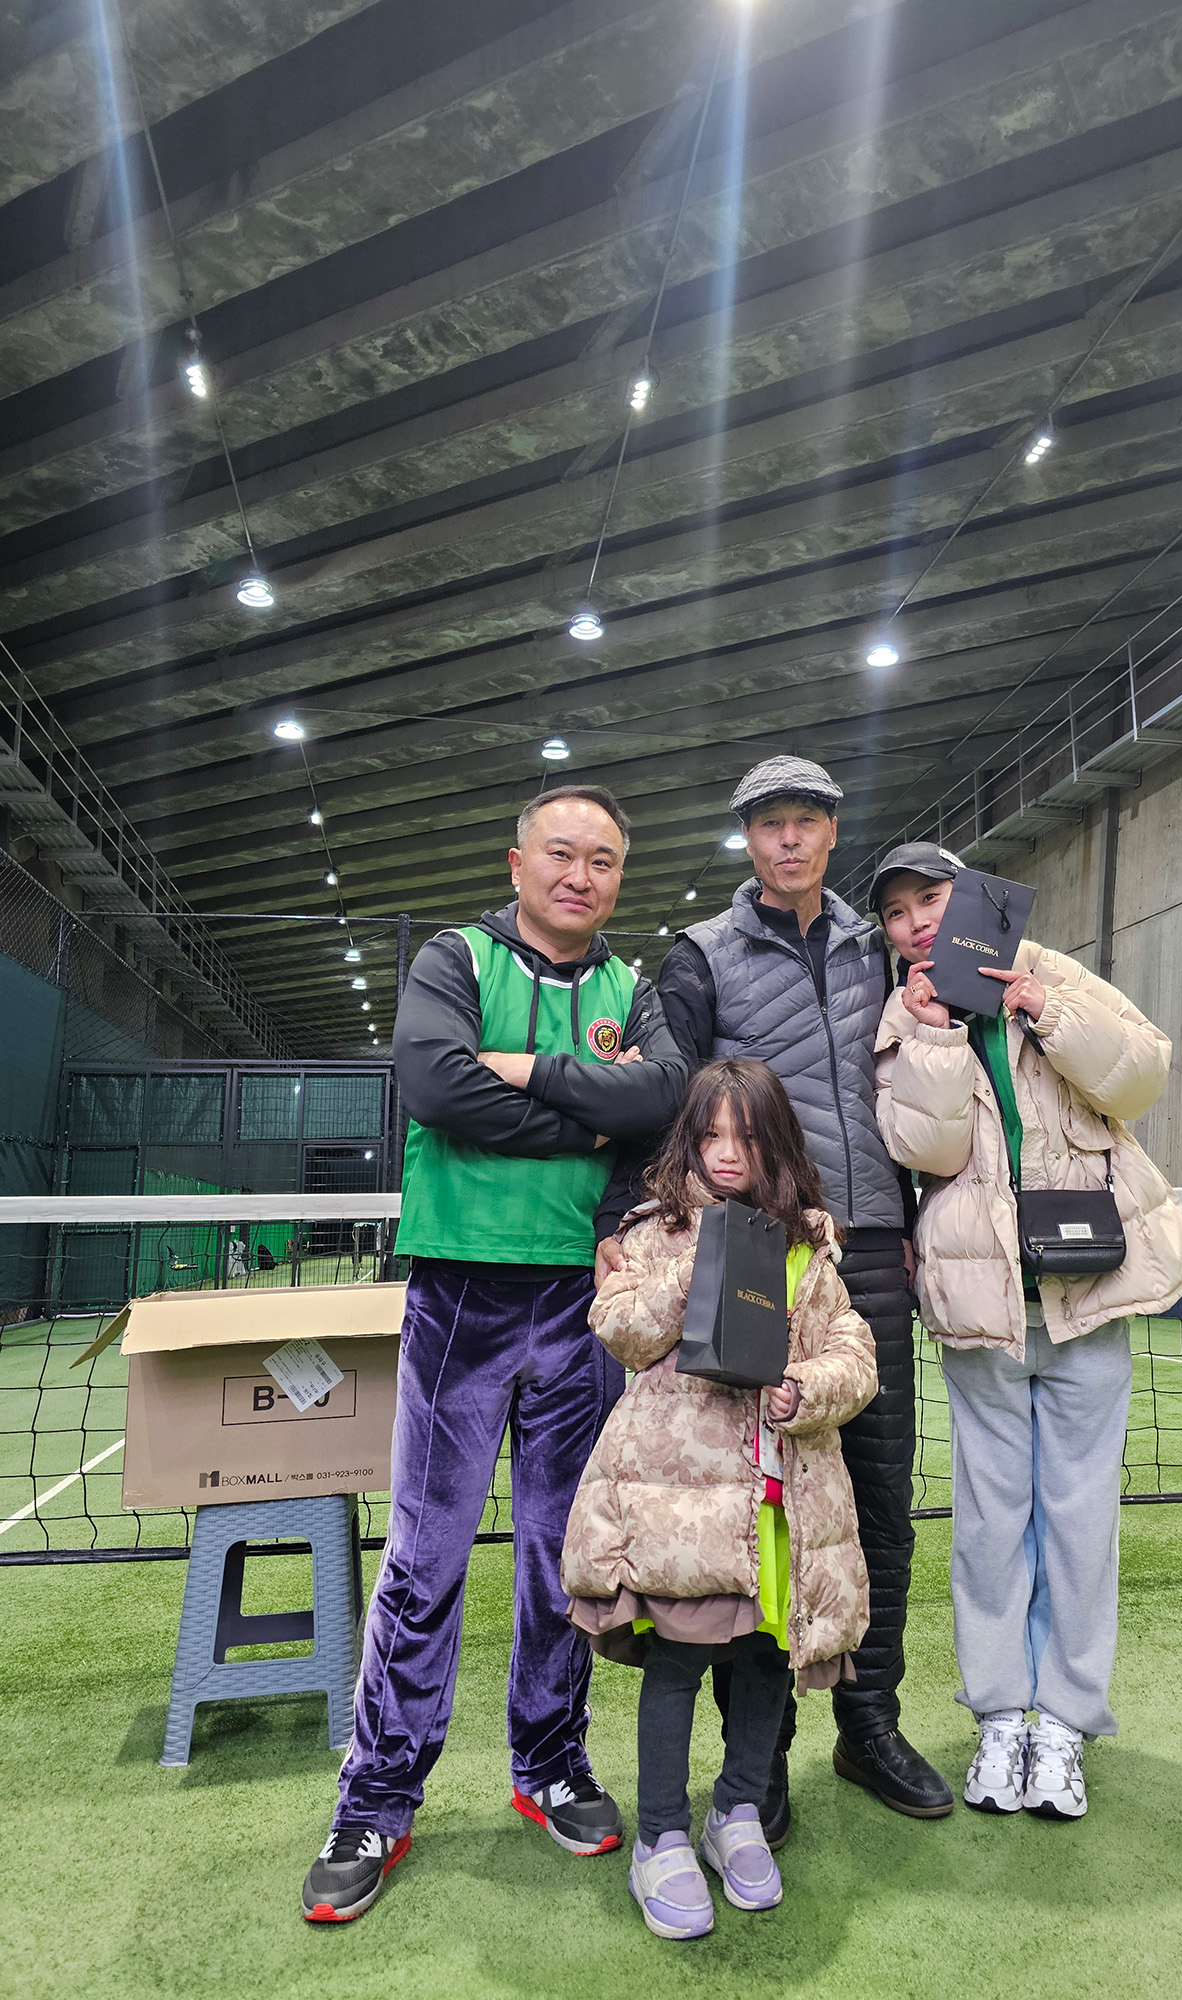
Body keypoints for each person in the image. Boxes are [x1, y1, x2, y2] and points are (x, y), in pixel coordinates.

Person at [302, 784, 688, 1923]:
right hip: (460, 1295)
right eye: (561, 853)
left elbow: (667, 1096)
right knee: (424, 1555)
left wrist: (523, 1078)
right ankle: (377, 1796)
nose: (581, 875)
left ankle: (550, 1761)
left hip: (585, 1296)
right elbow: (434, 1083)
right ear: (518, 863)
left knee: (563, 1558)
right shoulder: (455, 960)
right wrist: (593, 1118)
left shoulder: (632, 989)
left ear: (619, 876)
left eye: (603, 860)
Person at [598, 755, 953, 1830]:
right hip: (754, 1256)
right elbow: (667, 1095)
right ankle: (763, 1761)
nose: (788, 839)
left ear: (832, 831)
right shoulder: (700, 954)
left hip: (871, 1247)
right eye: (768, 824)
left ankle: (870, 1723)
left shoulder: (875, 946)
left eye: (806, 821)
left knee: (876, 1502)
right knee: (753, 1508)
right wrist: (623, 1219)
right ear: (747, 839)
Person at [870, 842, 1182, 1821]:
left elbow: (1140, 1076)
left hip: (1086, 1296)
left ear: (971, 897)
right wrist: (936, 1038)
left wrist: (1044, 1009)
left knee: (1080, 1520)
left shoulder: (1053, 973)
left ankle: (1064, 1722)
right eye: (897, 912)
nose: (917, 923)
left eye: (931, 898)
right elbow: (923, 1148)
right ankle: (1000, 1717)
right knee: (988, 1528)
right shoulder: (904, 1014)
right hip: (983, 1313)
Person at [565, 1057, 878, 1938]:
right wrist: (695, 1267)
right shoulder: (651, 1233)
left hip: (784, 1502)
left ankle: (736, 1812)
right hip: (682, 1512)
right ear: (689, 1142)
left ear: (777, 1143)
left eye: (746, 1136)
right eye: (710, 1135)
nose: (727, 1153)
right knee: (676, 1664)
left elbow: (854, 1352)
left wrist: (805, 1390)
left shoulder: (809, 1246)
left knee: (770, 1661)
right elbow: (618, 1327)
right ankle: (660, 1836)